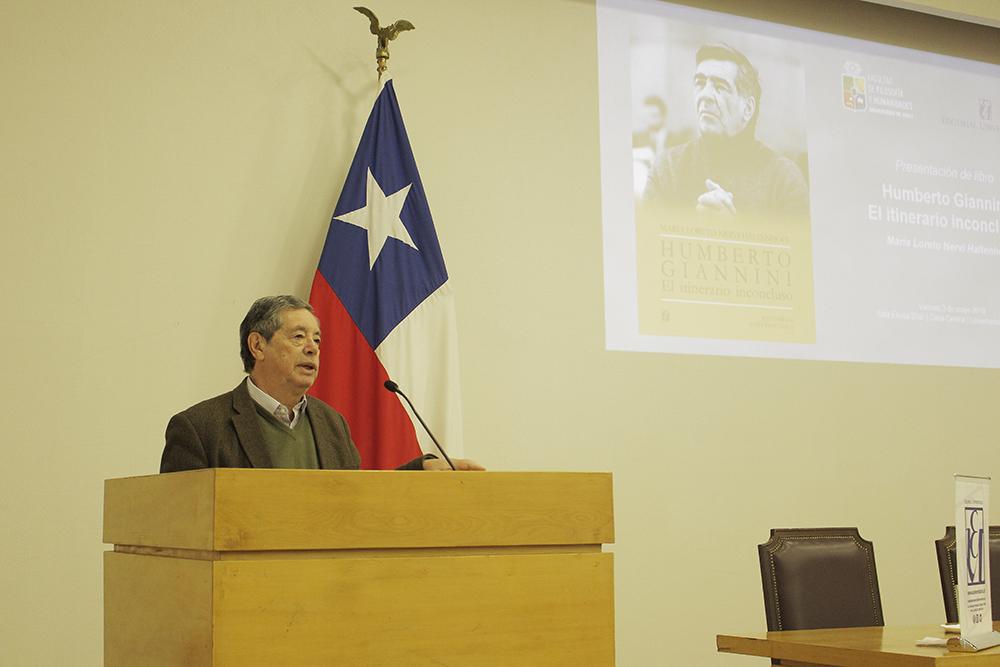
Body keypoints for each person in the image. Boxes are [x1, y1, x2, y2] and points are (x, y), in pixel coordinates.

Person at [160, 295, 483, 473]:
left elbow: (356, 502)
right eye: (298, 337)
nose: (313, 348)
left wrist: (422, 471)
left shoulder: (331, 423)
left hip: (324, 583)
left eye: (317, 339)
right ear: (258, 346)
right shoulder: (200, 428)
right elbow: (178, 525)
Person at [644, 43, 809, 222]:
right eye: (700, 83)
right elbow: (647, 243)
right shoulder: (667, 169)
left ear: (747, 108)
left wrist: (734, 230)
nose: (705, 95)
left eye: (720, 87)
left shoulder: (783, 179)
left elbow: (797, 249)